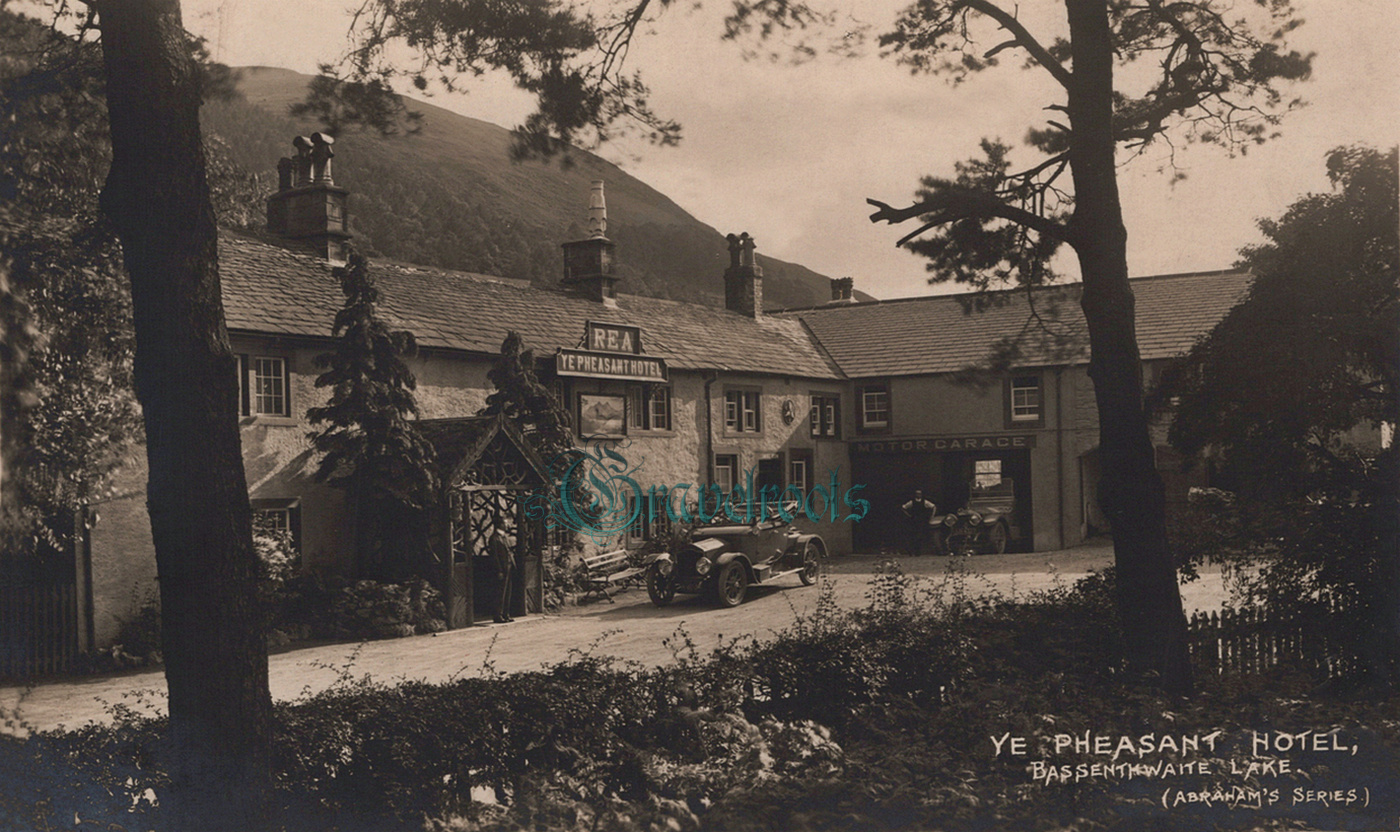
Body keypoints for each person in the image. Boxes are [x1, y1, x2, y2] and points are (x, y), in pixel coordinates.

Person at [488, 516, 516, 623]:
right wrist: (499, 570)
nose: (506, 525)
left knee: (507, 592)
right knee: (500, 592)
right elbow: (494, 556)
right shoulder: (494, 539)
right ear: (500, 524)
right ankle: (498, 615)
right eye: (504, 523)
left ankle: (506, 613)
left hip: (508, 566)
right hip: (501, 568)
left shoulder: (504, 537)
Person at [900, 490, 937, 556]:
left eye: (919, 494)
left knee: (920, 536)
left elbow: (933, 507)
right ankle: (912, 551)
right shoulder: (912, 502)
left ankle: (918, 551)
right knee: (913, 536)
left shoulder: (925, 502)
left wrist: (932, 516)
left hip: (922, 521)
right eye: (917, 494)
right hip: (914, 521)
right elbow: (903, 508)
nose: (918, 495)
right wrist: (908, 515)